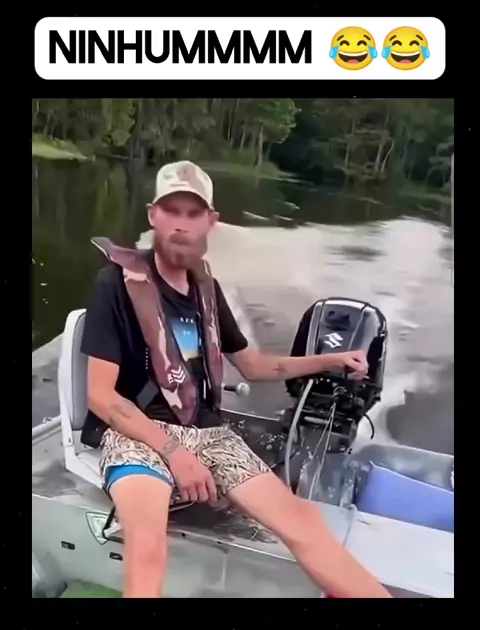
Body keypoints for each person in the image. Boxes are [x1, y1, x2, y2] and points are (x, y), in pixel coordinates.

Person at [81, 160, 393, 599]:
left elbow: (254, 365)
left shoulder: (206, 288)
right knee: (147, 544)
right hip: (138, 433)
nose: (181, 224)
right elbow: (100, 396)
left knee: (303, 520)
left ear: (211, 221)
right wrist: (173, 452)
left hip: (209, 435)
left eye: (193, 213)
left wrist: (331, 360)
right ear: (153, 215)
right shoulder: (115, 283)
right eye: (171, 211)